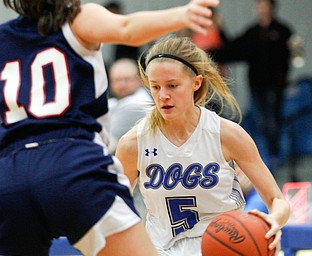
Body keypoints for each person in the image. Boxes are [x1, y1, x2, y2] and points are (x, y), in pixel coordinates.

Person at [0, 0, 220, 255]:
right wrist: (182, 14)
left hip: (8, 177)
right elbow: (127, 28)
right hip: (71, 163)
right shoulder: (76, 20)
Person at [115, 35, 290, 256]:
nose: (163, 96)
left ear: (196, 83)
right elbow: (113, 208)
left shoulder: (226, 134)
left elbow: (277, 200)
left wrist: (273, 220)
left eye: (172, 85)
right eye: (155, 87)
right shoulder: (134, 143)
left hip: (226, 245)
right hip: (162, 249)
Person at [210, 0, 293, 170]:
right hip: (257, 85)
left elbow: (289, 57)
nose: (261, 9)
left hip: (275, 85)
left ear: (271, 7)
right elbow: (233, 49)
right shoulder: (252, 33)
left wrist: (283, 77)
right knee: (261, 121)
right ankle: (266, 159)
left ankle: (277, 157)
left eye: (264, 5)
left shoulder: (282, 31)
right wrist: (220, 29)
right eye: (259, 6)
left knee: (274, 121)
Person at [108, 58, 152, 154]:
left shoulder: (136, 106)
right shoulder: (114, 102)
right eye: (117, 80)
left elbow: (108, 145)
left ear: (139, 80)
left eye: (127, 79)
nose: (122, 85)